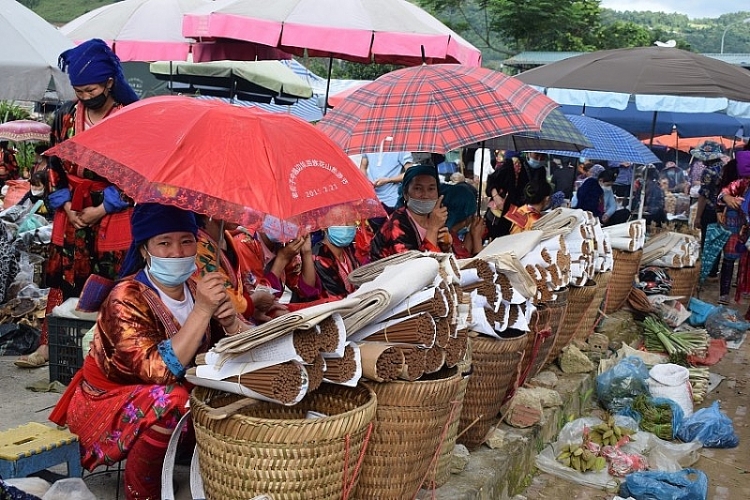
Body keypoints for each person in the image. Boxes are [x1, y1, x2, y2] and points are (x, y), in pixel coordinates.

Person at [48, 203, 249, 500]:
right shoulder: (125, 298)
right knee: (173, 401)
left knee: (236, 387)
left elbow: (239, 349)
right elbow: (158, 370)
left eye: (186, 241)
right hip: (113, 399)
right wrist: (203, 310)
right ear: (145, 250)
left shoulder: (196, 288)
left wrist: (230, 320)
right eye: (164, 243)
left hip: (172, 388)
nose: (178, 252)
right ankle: (144, 491)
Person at [16, 39, 140, 368]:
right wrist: (67, 205)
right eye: (79, 91)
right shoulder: (65, 117)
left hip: (111, 212)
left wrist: (103, 207)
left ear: (109, 83)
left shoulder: (129, 119)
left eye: (90, 90)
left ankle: (107, 352)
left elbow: (136, 173)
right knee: (64, 279)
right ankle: (51, 346)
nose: (84, 97)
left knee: (110, 280)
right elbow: (52, 163)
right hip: (71, 208)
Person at [194, 215, 280, 323]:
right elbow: (220, 301)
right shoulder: (198, 245)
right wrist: (254, 301)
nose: (241, 212)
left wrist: (253, 309)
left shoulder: (227, 237)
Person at [370, 164, 449, 260]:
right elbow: (416, 268)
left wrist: (446, 247)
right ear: (405, 194)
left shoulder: (434, 217)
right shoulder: (397, 224)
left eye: (431, 189)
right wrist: (433, 229)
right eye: (418, 188)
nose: (425, 195)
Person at [485, 152, 545, 239]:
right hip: (501, 217)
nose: (539, 159)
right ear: (528, 153)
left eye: (542, 156)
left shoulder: (541, 171)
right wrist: (496, 197)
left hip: (521, 220)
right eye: (536, 155)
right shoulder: (513, 164)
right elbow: (492, 181)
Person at [717, 147, 750, 306]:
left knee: (744, 256)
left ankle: (742, 286)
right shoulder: (735, 167)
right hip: (735, 217)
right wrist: (727, 198)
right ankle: (724, 292)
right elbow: (722, 192)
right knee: (730, 256)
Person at [693, 141, 727, 280]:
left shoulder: (708, 171)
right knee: (716, 239)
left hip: (709, 210)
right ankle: (713, 271)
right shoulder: (724, 168)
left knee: (706, 241)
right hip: (722, 209)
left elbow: (703, 195)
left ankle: (706, 271)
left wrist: (697, 217)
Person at [359, 150, 413, 232]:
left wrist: (389, 180)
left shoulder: (400, 147)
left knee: (393, 235)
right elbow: (363, 167)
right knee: (374, 236)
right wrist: (366, 182)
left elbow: (410, 172)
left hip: (392, 201)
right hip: (372, 202)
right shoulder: (370, 143)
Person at [312, 221, 364, 299]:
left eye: (349, 219)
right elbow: (336, 297)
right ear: (323, 225)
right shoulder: (319, 257)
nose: (345, 226)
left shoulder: (349, 250)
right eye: (338, 220)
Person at [441, 182, 485, 258]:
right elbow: (479, 266)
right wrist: (477, 238)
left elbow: (464, 253)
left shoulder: (451, 235)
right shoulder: (446, 240)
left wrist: (471, 234)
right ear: (467, 217)